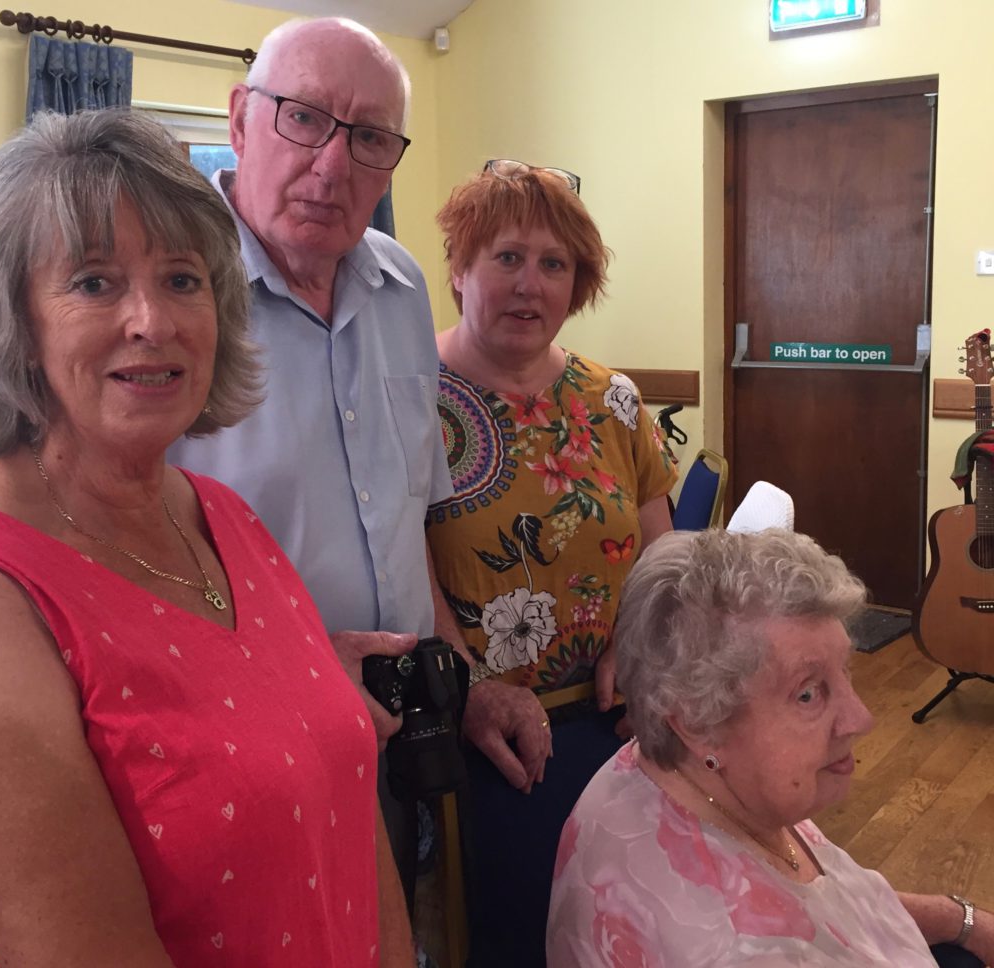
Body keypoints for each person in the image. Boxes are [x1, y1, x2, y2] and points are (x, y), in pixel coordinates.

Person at [0, 110, 412, 967]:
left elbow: (350, 816)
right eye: (94, 283)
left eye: (182, 279)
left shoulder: (225, 515)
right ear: (13, 320)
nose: (153, 321)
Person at [165, 19, 551, 902]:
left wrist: (463, 682)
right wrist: (284, 670)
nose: (334, 167)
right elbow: (113, 556)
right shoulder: (170, 297)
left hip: (404, 727)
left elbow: (405, 518)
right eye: (303, 118)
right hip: (241, 742)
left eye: (372, 138)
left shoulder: (402, 284)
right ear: (238, 119)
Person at [426, 159, 678, 965]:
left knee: (631, 930)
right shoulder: (406, 398)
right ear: (460, 268)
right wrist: (470, 687)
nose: (529, 285)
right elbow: (395, 560)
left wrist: (641, 655)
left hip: (619, 724)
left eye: (554, 264)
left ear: (580, 284)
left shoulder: (615, 400)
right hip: (486, 740)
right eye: (506, 257)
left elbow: (660, 550)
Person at [547, 528, 994, 968]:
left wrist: (961, 920)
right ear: (696, 722)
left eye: (845, 671)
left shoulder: (663, 766)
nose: (862, 719)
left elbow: (825, 904)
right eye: (808, 693)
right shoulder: (741, 951)